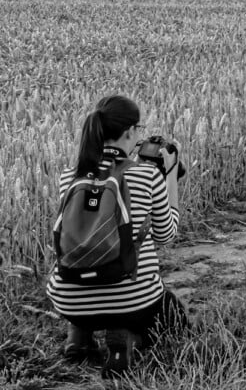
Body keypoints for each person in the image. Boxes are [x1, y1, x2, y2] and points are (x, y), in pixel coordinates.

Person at [46, 95, 188, 378]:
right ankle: (127, 339)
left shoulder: (69, 176)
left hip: (67, 298)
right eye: (139, 128)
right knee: (175, 319)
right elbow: (165, 235)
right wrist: (169, 174)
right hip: (131, 299)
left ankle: (80, 335)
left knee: (88, 286)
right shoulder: (147, 175)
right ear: (130, 132)